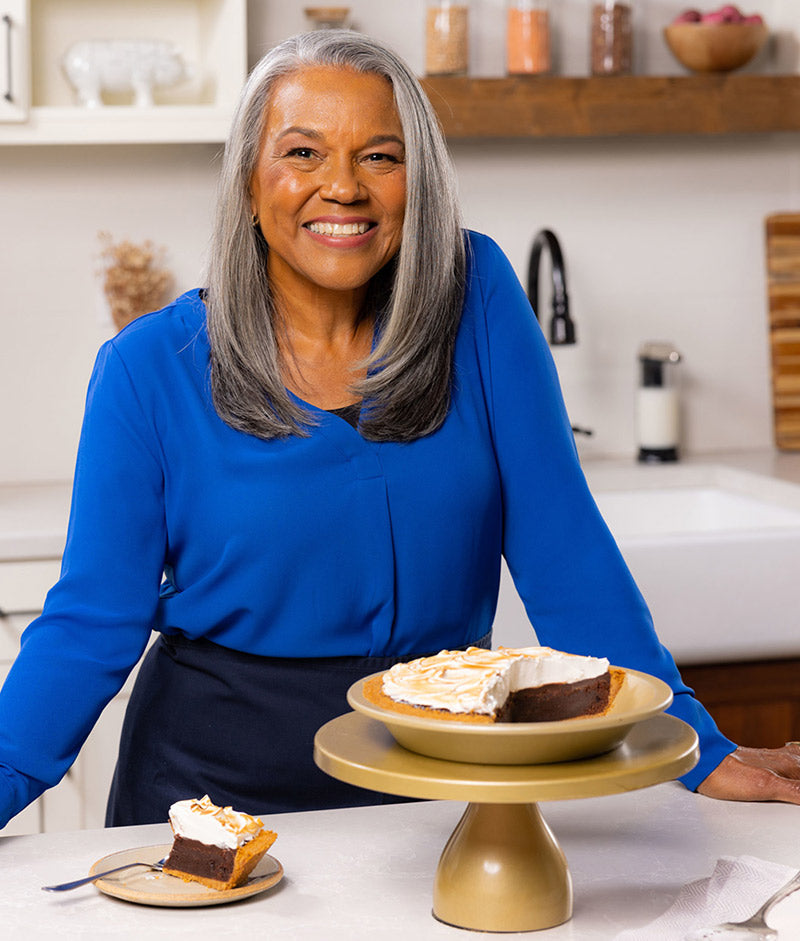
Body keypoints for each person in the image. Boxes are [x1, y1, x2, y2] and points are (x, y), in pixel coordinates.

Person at [1, 31, 798, 831]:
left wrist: (694, 742)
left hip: (440, 779)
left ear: (419, 181)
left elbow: (567, 555)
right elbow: (88, 626)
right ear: (247, 181)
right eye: (303, 153)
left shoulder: (478, 298)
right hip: (206, 794)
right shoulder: (147, 368)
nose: (341, 187)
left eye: (380, 157)